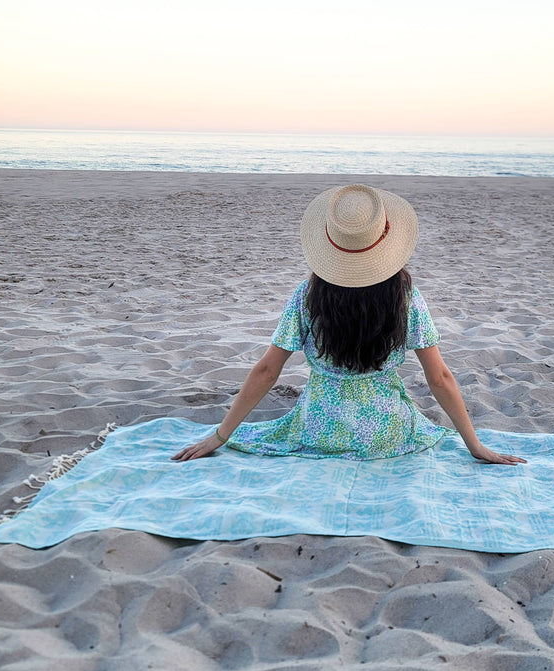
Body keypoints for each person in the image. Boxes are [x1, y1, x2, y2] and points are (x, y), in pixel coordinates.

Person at [172, 184, 526, 465]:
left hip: (319, 429)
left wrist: (220, 436)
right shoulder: (404, 297)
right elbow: (440, 378)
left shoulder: (307, 296)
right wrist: (474, 446)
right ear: (385, 241)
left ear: (330, 242)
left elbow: (267, 370)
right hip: (387, 434)